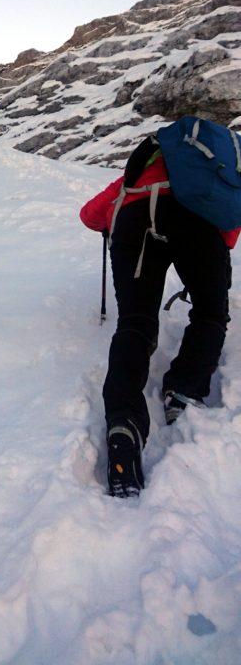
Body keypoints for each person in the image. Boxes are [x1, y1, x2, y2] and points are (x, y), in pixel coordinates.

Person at [80, 132, 239, 498]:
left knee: (135, 322)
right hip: (200, 223)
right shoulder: (217, 175)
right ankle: (183, 391)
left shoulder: (142, 169)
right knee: (210, 312)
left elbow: (89, 216)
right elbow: (230, 223)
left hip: (134, 217)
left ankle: (124, 423)